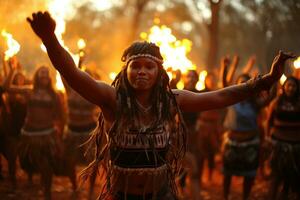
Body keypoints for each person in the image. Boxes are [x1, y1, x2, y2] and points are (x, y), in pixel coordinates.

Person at [27, 11, 294, 200]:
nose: (142, 72)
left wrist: (266, 80)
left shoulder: (171, 100)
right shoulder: (112, 100)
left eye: (149, 66)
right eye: (136, 66)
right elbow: (72, 73)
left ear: (159, 73)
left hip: (162, 195)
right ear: (126, 71)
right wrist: (50, 39)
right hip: (119, 195)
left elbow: (220, 97)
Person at [4, 65, 74, 200]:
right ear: (37, 76)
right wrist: (12, 70)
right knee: (32, 165)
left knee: (48, 165)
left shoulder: (55, 95)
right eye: (42, 73)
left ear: (49, 78)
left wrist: (61, 132)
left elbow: (61, 116)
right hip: (30, 136)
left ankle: (48, 193)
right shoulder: (29, 91)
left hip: (48, 136)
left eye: (47, 73)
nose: (44, 75)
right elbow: (7, 88)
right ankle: (38, 187)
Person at [266, 76, 300, 199]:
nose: (291, 88)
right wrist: (267, 137)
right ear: (284, 87)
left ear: (297, 88)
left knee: (292, 178)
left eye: (294, 86)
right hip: (278, 145)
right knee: (276, 177)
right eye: (288, 85)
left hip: (296, 147)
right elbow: (269, 122)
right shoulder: (276, 103)